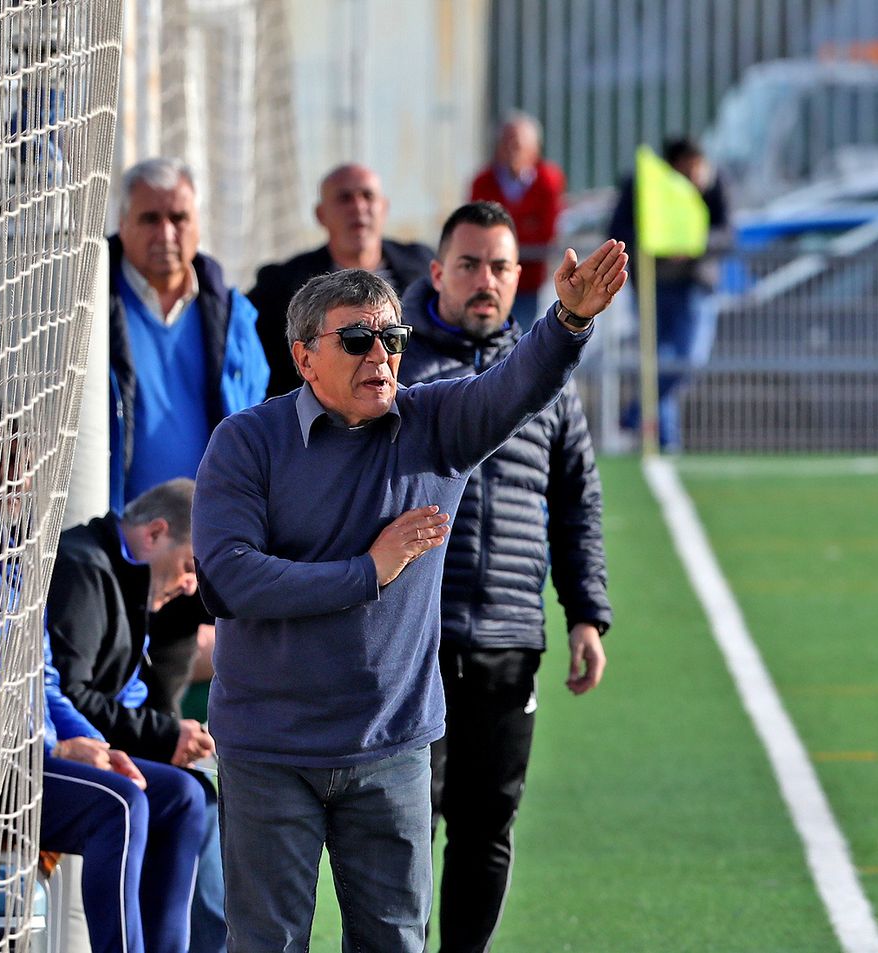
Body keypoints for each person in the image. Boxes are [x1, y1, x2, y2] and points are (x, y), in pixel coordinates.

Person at [192, 242, 628, 952]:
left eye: (391, 339)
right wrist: (369, 569)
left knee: (395, 942)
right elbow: (230, 580)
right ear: (304, 358)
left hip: (391, 749)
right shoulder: (246, 443)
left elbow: (514, 384)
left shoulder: (436, 425)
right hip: (269, 750)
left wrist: (568, 322)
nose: (381, 357)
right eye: (358, 340)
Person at [397, 201, 612, 953]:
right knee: (405, 823)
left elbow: (576, 496)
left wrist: (587, 611)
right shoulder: (398, 367)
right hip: (410, 641)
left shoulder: (549, 375)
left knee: (487, 826)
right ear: (437, 273)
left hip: (508, 636)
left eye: (499, 266)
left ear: (520, 277)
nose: (484, 280)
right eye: (469, 264)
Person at [0, 407, 206, 953]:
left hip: (40, 751)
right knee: (120, 805)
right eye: (8, 470)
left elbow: (45, 683)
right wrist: (64, 744)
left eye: (24, 471)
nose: (22, 484)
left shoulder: (17, 559)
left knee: (185, 795)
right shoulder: (73, 566)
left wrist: (92, 743)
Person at [46, 478, 226, 953]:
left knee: (189, 794)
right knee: (124, 803)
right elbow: (68, 693)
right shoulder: (83, 566)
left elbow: (121, 697)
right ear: (154, 534)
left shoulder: (128, 578)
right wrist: (164, 735)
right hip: (23, 756)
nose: (190, 586)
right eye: (189, 566)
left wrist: (174, 735)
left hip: (78, 746)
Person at [107, 157, 269, 514]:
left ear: (197, 224)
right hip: (114, 534)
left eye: (178, 218)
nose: (165, 233)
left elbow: (254, 415)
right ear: (122, 223)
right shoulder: (91, 305)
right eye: (150, 219)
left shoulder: (233, 315)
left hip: (210, 533)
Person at [249, 163, 434, 397]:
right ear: (321, 214)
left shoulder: (423, 267)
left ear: (384, 207)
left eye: (368, 196)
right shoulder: (281, 285)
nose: (358, 207)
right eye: (344, 198)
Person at [607, 136, 731, 451]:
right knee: (657, 362)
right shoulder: (643, 183)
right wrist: (655, 243)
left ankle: (635, 414)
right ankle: (667, 441)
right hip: (651, 286)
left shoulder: (715, 184)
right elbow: (617, 229)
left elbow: (727, 234)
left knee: (689, 360)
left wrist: (694, 244)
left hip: (695, 286)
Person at [469, 112, 566, 330]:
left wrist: (501, 243)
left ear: (535, 148)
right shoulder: (483, 182)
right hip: (487, 279)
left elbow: (546, 232)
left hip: (529, 279)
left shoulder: (548, 181)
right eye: (506, 142)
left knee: (520, 334)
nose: (511, 149)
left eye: (518, 144)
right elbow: (475, 229)